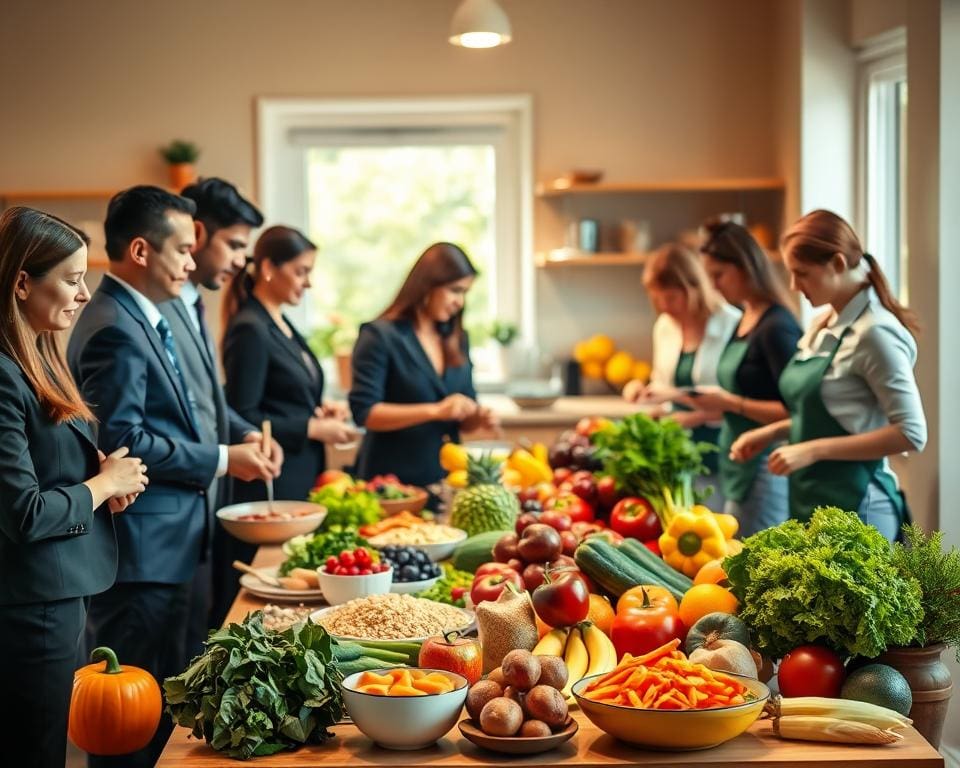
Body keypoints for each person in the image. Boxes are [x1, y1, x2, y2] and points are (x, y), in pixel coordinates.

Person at [68, 186, 274, 768]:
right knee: (129, 719)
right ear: (140, 250)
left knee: (164, 706)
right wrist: (219, 458)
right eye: (183, 249)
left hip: (173, 544)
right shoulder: (114, 324)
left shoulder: (146, 315)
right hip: (142, 553)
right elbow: (122, 440)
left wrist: (232, 443)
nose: (192, 260)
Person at [0, 207, 147, 768]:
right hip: (31, 607)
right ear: (21, 282)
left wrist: (104, 485)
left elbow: (50, 470)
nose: (84, 294)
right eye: (71, 278)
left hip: (59, 596)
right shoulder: (4, 374)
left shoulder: (38, 357)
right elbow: (24, 512)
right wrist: (102, 482)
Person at [730, 210, 925, 540]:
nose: (793, 285)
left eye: (802, 274)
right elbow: (828, 416)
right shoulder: (823, 325)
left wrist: (811, 450)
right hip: (812, 500)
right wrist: (770, 433)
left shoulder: (874, 333)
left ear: (837, 263)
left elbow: (911, 433)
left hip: (859, 505)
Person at [158, 178, 283, 640]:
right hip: (162, 534)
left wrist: (246, 432)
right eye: (233, 244)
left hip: (196, 526)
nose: (239, 259)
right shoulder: (159, 309)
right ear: (197, 232)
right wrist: (230, 455)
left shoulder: (192, 304)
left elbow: (204, 404)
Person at [219, 225, 354, 605]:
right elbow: (242, 414)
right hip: (273, 479)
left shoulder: (279, 322)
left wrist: (317, 407)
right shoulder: (250, 328)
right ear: (267, 268)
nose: (308, 283)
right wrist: (312, 426)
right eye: (301, 271)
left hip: (298, 469)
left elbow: (281, 398)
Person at [350, 242, 498, 490]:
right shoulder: (380, 335)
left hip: (446, 481)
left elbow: (463, 417)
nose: (460, 302)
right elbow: (365, 413)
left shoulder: (457, 338)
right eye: (454, 290)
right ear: (427, 286)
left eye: (465, 293)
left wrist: (478, 417)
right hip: (391, 484)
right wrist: (435, 410)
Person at [687, 220, 802, 536]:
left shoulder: (777, 328)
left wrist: (731, 403)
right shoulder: (745, 319)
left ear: (746, 266)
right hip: (738, 464)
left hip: (765, 465)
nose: (714, 286)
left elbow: (799, 412)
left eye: (718, 275)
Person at [622, 243, 741, 507]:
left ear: (695, 287)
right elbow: (664, 385)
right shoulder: (664, 326)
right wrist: (642, 391)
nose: (664, 306)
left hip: (722, 452)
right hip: (678, 454)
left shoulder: (733, 324)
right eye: (657, 298)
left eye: (672, 298)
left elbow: (740, 401)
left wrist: (692, 418)